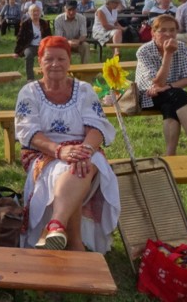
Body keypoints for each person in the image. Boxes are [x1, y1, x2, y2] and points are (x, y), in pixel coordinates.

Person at [15, 36, 120, 252]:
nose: (55, 64)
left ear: (69, 61)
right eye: (49, 59)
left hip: (84, 149)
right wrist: (60, 150)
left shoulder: (84, 90)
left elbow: (97, 127)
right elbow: (29, 133)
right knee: (72, 167)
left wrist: (85, 151)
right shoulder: (29, 92)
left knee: (81, 165)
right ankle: (75, 243)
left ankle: (56, 225)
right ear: (39, 62)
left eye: (61, 59)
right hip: (44, 152)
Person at [136, 15, 187, 155]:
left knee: (172, 103)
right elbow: (158, 83)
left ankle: (170, 155)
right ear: (153, 33)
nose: (168, 34)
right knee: (180, 95)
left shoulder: (182, 47)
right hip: (148, 95)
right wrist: (168, 54)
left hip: (171, 94)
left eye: (172, 30)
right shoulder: (144, 51)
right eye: (162, 30)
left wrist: (169, 86)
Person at [14, 4, 51, 81]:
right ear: (29, 13)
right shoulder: (25, 24)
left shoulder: (44, 23)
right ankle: (30, 78)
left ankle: (48, 76)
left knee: (49, 56)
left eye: (37, 11)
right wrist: (17, 51)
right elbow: (20, 37)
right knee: (28, 55)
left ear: (40, 12)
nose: (35, 13)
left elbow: (49, 37)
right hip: (30, 46)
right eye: (33, 11)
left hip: (43, 46)